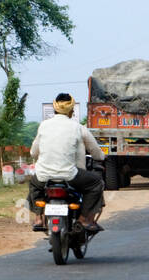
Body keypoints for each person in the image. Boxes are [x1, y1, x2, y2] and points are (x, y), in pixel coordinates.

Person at [28, 94, 106, 232]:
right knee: (96, 183)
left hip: (44, 176)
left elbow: (33, 152)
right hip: (70, 176)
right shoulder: (78, 127)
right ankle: (83, 219)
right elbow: (95, 151)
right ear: (71, 111)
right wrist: (101, 157)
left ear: (54, 109)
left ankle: (39, 218)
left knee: (34, 183)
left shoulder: (44, 126)